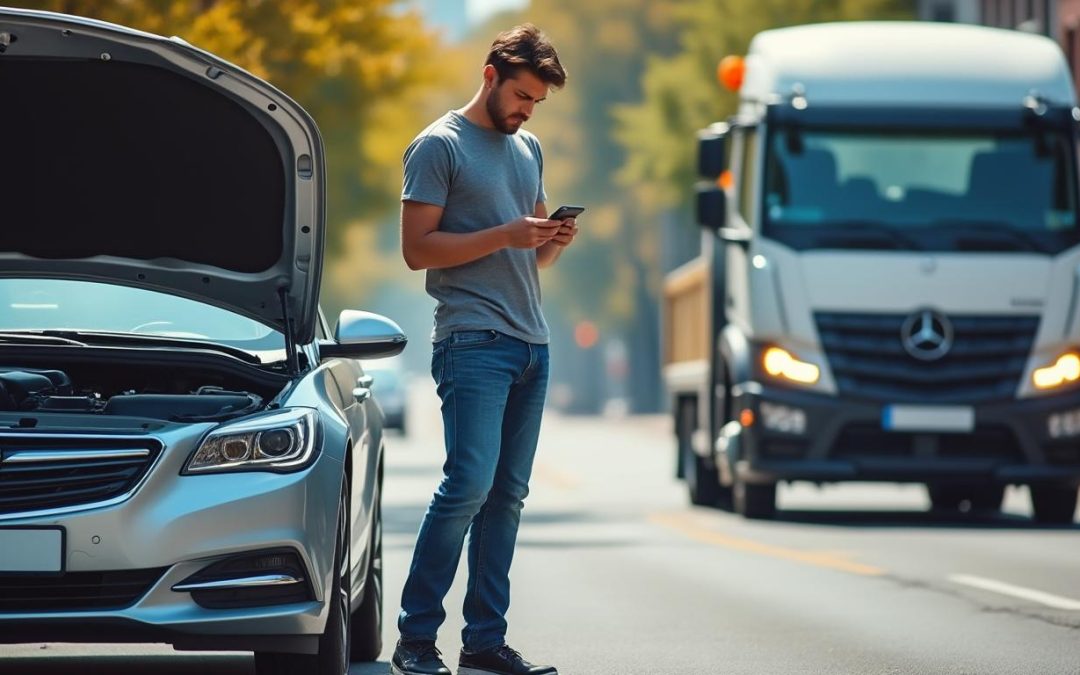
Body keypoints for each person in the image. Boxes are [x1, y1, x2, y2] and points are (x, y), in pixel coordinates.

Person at [392, 23, 574, 675]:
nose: (528, 110)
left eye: (537, 102)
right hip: (472, 341)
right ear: (491, 75)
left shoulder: (528, 149)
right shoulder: (438, 146)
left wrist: (552, 239)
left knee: (507, 495)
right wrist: (505, 234)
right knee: (466, 483)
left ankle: (484, 642)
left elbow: (533, 255)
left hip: (532, 344)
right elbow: (418, 250)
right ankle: (415, 639)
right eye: (522, 95)